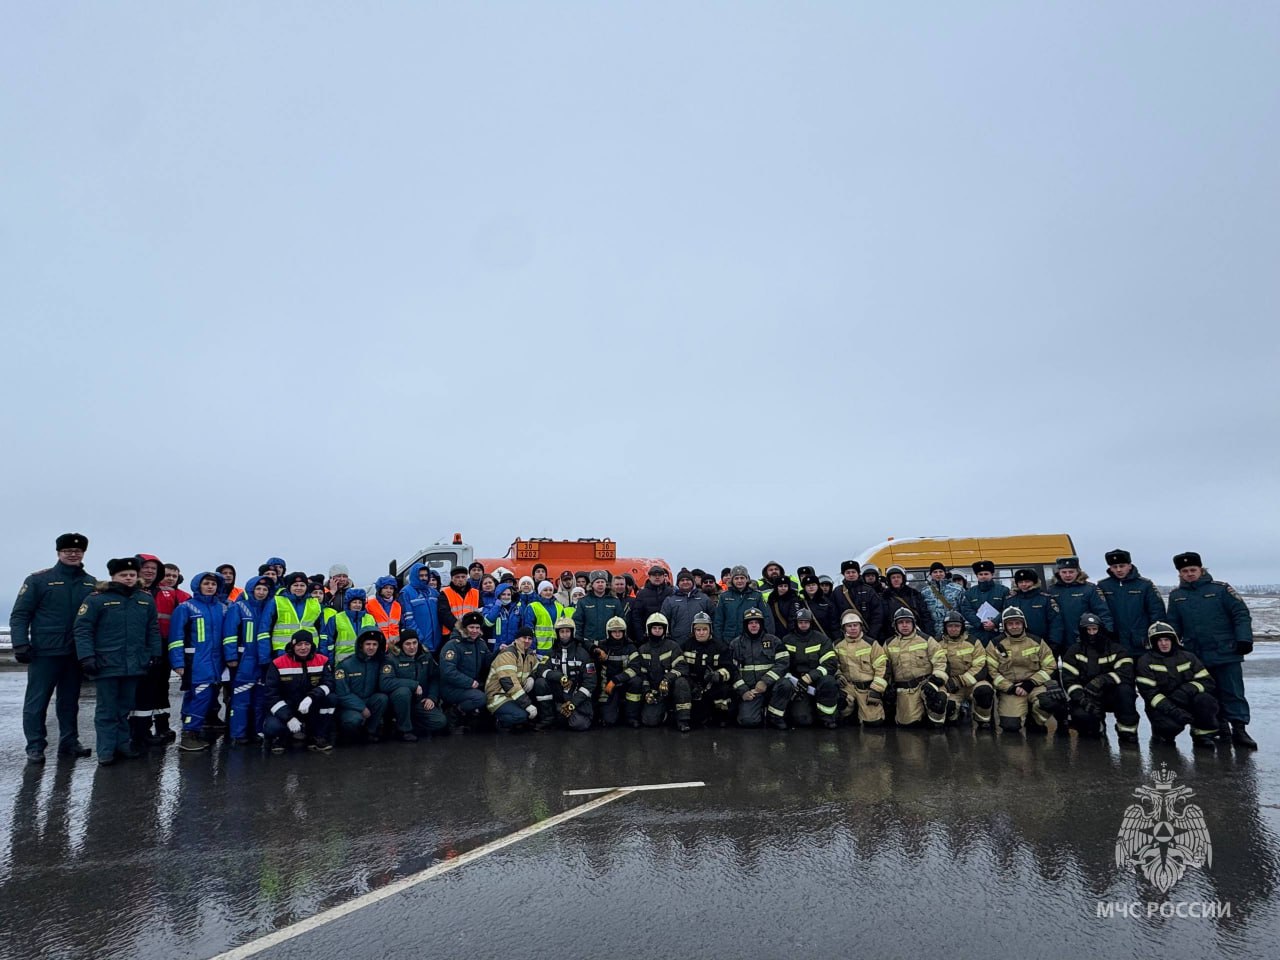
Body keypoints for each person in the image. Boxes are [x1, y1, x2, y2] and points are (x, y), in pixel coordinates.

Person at [10, 532, 97, 764]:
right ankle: (35, 745)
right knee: (37, 702)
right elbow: (20, 614)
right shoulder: (38, 580)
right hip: (45, 652)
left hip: (74, 653)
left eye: (77, 551)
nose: (73, 554)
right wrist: (20, 643)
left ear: (83, 553)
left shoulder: (90, 583)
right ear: (58, 553)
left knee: (69, 701)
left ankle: (69, 742)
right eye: (68, 550)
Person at [72, 557, 162, 765]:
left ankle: (123, 745)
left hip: (134, 664)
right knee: (106, 710)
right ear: (113, 576)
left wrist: (155, 653)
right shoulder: (96, 599)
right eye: (124, 575)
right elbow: (83, 629)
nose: (129, 578)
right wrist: (86, 656)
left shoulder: (144, 600)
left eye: (132, 575)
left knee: (125, 708)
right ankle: (105, 750)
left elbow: (152, 629)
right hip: (107, 663)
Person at [1166, 551, 1256, 749]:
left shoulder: (1221, 590)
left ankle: (1239, 730)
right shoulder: (1176, 596)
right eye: (1184, 571)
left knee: (1232, 692)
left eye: (1193, 570)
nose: (1189, 574)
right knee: (1205, 694)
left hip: (1226, 652)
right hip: (1196, 656)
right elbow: (1173, 625)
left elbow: (1240, 614)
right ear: (1179, 574)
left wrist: (1244, 639)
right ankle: (1218, 728)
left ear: (1201, 569)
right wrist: (1172, 648)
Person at [168, 571, 232, 752]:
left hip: (217, 662)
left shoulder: (222, 608)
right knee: (200, 696)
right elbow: (176, 637)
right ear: (198, 585)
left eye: (213, 584)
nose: (210, 587)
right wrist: (178, 663)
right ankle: (189, 733)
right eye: (206, 583)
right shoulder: (186, 608)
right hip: (196, 661)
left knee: (205, 696)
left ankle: (194, 729)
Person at [1136, 621, 1219, 748]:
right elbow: (1150, 694)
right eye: (1159, 640)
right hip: (1162, 706)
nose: (1163, 643)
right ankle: (1162, 735)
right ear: (1153, 642)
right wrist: (1174, 711)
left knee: (1206, 701)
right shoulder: (1145, 661)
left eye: (1166, 639)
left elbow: (1208, 682)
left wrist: (1187, 690)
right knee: (1168, 727)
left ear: (1173, 640)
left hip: (1186, 700)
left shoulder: (1188, 657)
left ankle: (1202, 735)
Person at [987, 607, 1068, 735]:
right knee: (1010, 725)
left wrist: (1030, 683)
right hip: (1011, 688)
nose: (1014, 627)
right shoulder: (995, 644)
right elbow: (992, 672)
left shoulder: (1036, 641)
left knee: (1051, 702)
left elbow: (1050, 666)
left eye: (1017, 623)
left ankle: (1036, 720)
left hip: (1035, 685)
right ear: (1005, 626)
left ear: (1024, 624)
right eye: (1010, 624)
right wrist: (1010, 687)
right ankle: (1022, 710)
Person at [1060, 613, 1139, 743]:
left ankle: (1127, 731)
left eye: (1094, 629)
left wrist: (1101, 680)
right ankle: (1097, 727)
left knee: (1125, 691)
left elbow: (1126, 673)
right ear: (1082, 631)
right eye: (1088, 630)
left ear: (1100, 629)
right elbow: (1069, 681)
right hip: (1087, 695)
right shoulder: (1074, 651)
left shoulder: (1115, 649)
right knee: (1084, 723)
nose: (1091, 633)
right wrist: (1082, 699)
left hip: (1111, 694)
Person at [133, 552, 184, 744]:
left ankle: (162, 727)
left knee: (160, 688)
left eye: (153, 568)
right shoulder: (128, 591)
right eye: (145, 567)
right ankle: (139, 732)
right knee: (138, 691)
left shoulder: (171, 594)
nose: (149, 571)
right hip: (136, 648)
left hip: (162, 647)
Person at [262, 630, 337, 753]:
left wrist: (311, 697)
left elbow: (329, 683)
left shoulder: (322, 660)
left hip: (310, 706)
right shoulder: (278, 663)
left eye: (307, 644)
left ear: (312, 645)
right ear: (293, 646)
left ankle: (318, 736)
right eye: (299, 644)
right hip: (286, 706)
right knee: (272, 727)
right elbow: (271, 695)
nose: (303, 648)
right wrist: (288, 718)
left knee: (331, 699)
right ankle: (280, 738)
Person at [770, 608, 840, 730]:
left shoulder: (822, 639)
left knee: (829, 681)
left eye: (806, 622)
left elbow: (830, 663)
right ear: (796, 623)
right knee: (802, 720)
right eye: (800, 622)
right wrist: (794, 682)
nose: (803, 624)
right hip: (796, 683)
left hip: (816, 680)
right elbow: (782, 664)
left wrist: (810, 677)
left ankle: (827, 718)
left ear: (810, 623)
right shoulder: (786, 640)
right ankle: (782, 716)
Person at [224, 575, 274, 746]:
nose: (261, 592)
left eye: (265, 589)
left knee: (259, 700)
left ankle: (257, 731)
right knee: (241, 699)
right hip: (244, 660)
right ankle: (238, 734)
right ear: (251, 590)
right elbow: (230, 634)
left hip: (263, 661)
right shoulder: (239, 607)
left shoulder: (269, 608)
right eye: (258, 589)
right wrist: (231, 657)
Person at [882, 607, 948, 728]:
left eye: (908, 622)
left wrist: (934, 681)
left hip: (926, 685)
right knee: (908, 724)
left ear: (913, 623)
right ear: (895, 625)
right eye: (901, 623)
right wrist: (887, 686)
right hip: (905, 690)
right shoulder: (888, 644)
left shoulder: (927, 640)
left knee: (937, 701)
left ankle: (936, 722)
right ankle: (920, 715)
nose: (905, 625)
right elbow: (884, 669)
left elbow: (941, 661)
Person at [624, 612, 691, 731]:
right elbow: (642, 674)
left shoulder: (673, 646)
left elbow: (682, 667)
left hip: (671, 688)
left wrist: (667, 678)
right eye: (654, 628)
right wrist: (647, 692)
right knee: (649, 721)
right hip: (655, 691)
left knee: (682, 682)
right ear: (648, 629)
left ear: (665, 630)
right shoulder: (643, 649)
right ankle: (666, 712)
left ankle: (683, 721)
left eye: (660, 628)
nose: (657, 630)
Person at [380, 629, 448, 740]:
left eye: (414, 643)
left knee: (440, 722)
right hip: (397, 702)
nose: (412, 647)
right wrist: (413, 685)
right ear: (401, 645)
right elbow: (385, 682)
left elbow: (434, 678)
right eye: (408, 644)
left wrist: (432, 697)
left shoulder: (425, 655)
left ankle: (408, 723)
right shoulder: (391, 658)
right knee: (403, 692)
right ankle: (404, 731)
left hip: (419, 701)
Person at [727, 608, 788, 728]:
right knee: (748, 721)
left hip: (771, 687)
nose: (754, 626)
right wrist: (743, 690)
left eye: (756, 622)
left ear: (761, 624)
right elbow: (732, 671)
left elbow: (783, 664)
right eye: (750, 623)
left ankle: (774, 716)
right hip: (751, 691)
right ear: (745, 625)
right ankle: (758, 711)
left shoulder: (774, 641)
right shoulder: (735, 644)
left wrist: (765, 681)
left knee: (786, 684)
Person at [1097, 548, 1166, 655]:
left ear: (1129, 566)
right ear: (1110, 568)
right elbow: (1100, 611)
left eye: (1122, 566)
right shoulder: (1103, 586)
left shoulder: (1145, 585)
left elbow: (1156, 612)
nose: (1119, 570)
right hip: (1115, 641)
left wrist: (1155, 636)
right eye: (1115, 567)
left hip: (1140, 641)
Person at [535, 617, 596, 731]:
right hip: (558, 694)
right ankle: (548, 718)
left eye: (567, 631)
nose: (565, 635)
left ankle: (562, 714)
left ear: (572, 632)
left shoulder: (583, 654)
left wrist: (573, 704)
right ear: (557, 633)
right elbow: (541, 669)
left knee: (580, 724)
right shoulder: (551, 652)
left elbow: (590, 682)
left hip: (576, 696)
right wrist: (559, 677)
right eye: (561, 632)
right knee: (540, 682)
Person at [937, 610, 994, 727]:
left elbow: (981, 667)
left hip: (972, 683)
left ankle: (983, 720)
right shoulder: (937, 643)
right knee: (948, 708)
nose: (953, 629)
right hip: (949, 686)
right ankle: (954, 715)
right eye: (950, 626)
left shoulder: (973, 642)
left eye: (957, 626)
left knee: (984, 691)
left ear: (962, 627)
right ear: (945, 627)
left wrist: (959, 681)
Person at [1045, 557, 1113, 652]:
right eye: (1064, 572)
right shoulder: (1052, 590)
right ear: (1058, 573)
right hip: (1060, 640)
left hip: (1085, 638)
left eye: (1071, 572)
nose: (1068, 575)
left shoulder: (1090, 589)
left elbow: (1102, 612)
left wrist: (1107, 632)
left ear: (1078, 572)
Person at [832, 610, 887, 727]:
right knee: (841, 709)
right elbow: (833, 665)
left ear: (861, 626)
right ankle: (849, 715)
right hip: (848, 687)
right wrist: (838, 675)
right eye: (849, 626)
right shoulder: (837, 645)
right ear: (843, 628)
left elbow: (882, 668)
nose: (853, 628)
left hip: (867, 689)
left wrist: (876, 690)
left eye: (855, 625)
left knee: (874, 723)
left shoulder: (872, 644)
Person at [439, 611, 493, 730]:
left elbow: (489, 662)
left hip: (470, 686)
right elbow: (448, 671)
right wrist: (469, 682)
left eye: (477, 627)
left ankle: (470, 717)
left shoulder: (480, 643)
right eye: (471, 627)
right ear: (464, 628)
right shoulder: (453, 645)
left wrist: (501, 652)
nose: (474, 630)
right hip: (452, 688)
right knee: (480, 698)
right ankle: (453, 714)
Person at [485, 626, 546, 731]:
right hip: (499, 696)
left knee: (531, 715)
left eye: (530, 638)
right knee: (521, 716)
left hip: (514, 696)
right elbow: (509, 683)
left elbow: (538, 670)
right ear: (517, 639)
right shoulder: (508, 654)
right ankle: (498, 721)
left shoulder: (530, 655)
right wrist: (527, 705)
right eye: (524, 638)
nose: (527, 641)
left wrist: (532, 677)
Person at [335, 629, 390, 743]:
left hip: (369, 700)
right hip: (349, 706)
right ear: (361, 645)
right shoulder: (345, 664)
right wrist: (362, 708)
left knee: (382, 698)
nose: (371, 647)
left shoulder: (379, 661)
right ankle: (347, 736)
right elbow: (342, 694)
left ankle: (370, 731)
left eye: (374, 644)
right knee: (353, 720)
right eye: (368, 644)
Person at [681, 611, 733, 727]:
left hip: (713, 686)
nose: (701, 633)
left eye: (704, 629)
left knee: (724, 689)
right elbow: (681, 667)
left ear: (710, 630)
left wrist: (717, 675)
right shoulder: (686, 646)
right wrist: (690, 683)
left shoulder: (720, 647)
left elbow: (729, 668)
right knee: (697, 719)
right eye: (698, 630)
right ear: (693, 631)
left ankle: (721, 717)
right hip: (694, 687)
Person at [260, 571, 326, 657]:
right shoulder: (276, 601)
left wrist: (322, 654)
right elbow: (264, 631)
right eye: (295, 585)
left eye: (302, 585)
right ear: (289, 587)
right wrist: (264, 657)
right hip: (282, 651)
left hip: (309, 651)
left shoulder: (315, 603)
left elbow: (322, 632)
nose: (299, 588)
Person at [1008, 569, 1065, 655]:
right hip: (1017, 645)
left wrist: (1054, 643)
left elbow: (1056, 623)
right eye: (1020, 582)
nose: (1024, 584)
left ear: (1034, 582)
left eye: (1027, 581)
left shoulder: (1046, 599)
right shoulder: (1010, 601)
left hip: (1043, 644)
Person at [595, 616, 637, 727]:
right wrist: (595, 650)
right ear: (609, 632)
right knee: (609, 720)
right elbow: (586, 643)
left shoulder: (631, 646)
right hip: (608, 687)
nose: (617, 634)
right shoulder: (602, 646)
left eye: (620, 631)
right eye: (614, 631)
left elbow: (635, 668)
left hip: (624, 683)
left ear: (624, 632)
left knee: (636, 682)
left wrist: (615, 680)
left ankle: (631, 716)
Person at [713, 565, 773, 644]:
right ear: (732, 580)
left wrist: (766, 637)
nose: (739, 581)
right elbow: (718, 621)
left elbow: (767, 617)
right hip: (729, 640)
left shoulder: (757, 596)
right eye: (736, 578)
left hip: (752, 640)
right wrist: (719, 642)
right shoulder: (724, 597)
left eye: (742, 578)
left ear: (747, 579)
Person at [831, 560, 885, 641]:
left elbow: (877, 615)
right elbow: (833, 617)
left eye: (853, 572)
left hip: (868, 636)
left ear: (858, 573)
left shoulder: (869, 590)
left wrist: (871, 636)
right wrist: (839, 637)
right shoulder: (837, 592)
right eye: (848, 572)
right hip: (845, 638)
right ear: (843, 574)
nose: (851, 575)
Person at [919, 562, 978, 635]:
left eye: (941, 571)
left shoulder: (957, 589)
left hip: (954, 631)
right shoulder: (925, 592)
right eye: (935, 572)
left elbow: (965, 610)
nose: (938, 574)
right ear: (931, 574)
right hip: (934, 633)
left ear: (945, 573)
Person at [399, 562, 445, 654]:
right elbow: (408, 620)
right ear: (414, 575)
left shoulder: (433, 592)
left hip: (437, 641)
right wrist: (419, 638)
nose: (424, 578)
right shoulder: (406, 592)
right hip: (420, 642)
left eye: (426, 575)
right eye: (421, 575)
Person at [881, 566, 935, 639]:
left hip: (916, 635)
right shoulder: (884, 597)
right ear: (889, 580)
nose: (896, 579)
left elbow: (925, 615)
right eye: (893, 578)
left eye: (898, 577)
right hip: (893, 637)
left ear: (903, 579)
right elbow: (882, 619)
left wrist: (928, 634)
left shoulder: (914, 594)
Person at [659, 569, 712, 644]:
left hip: (700, 641)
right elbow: (663, 621)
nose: (685, 582)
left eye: (687, 579)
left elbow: (713, 617)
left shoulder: (704, 598)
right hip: (677, 641)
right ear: (678, 583)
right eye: (682, 580)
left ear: (692, 582)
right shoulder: (670, 600)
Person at [573, 570, 624, 646]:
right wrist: (578, 641)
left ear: (606, 584)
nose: (600, 584)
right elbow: (578, 623)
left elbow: (621, 621)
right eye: (597, 582)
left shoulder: (614, 601)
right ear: (592, 584)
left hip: (609, 644)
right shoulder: (583, 602)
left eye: (602, 582)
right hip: (588, 643)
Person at [964, 560, 1009, 645]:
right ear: (977, 576)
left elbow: (1006, 608)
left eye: (986, 574)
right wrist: (980, 624)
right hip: (977, 633)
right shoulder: (970, 593)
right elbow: (967, 610)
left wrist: (994, 622)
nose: (983, 576)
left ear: (992, 574)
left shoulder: (1003, 590)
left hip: (998, 632)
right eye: (980, 574)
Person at [327, 588, 377, 663]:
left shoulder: (370, 618)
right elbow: (328, 642)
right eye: (354, 602)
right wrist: (329, 661)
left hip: (366, 660)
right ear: (348, 603)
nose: (357, 605)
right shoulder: (336, 618)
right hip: (343, 662)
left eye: (360, 602)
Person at [628, 566, 673, 640]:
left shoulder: (671, 592)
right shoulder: (642, 594)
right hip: (647, 637)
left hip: (667, 637)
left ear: (663, 577)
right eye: (654, 575)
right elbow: (636, 616)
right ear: (649, 577)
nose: (657, 577)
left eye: (660, 575)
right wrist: (640, 636)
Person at [440, 566, 480, 641]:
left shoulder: (476, 593)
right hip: (451, 633)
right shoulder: (445, 593)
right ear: (452, 579)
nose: (460, 579)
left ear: (467, 578)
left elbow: (480, 612)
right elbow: (444, 614)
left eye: (463, 577)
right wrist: (459, 629)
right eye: (457, 577)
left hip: (472, 633)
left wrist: (471, 629)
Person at [365, 577, 402, 650]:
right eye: (386, 588)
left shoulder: (397, 605)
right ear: (380, 589)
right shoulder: (370, 604)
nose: (389, 591)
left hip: (394, 647)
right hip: (378, 646)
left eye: (391, 588)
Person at [483, 582, 522, 650]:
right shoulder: (489, 607)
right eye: (503, 594)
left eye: (508, 594)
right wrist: (497, 606)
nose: (506, 597)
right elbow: (488, 623)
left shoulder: (516, 609)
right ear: (498, 595)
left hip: (512, 647)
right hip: (495, 647)